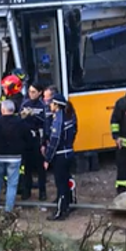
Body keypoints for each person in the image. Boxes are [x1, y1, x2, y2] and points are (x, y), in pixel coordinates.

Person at [0, 100, 33, 214]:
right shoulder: (21, 123)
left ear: (2, 110)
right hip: (15, 157)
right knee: (12, 184)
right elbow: (28, 138)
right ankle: (8, 210)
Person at [43, 92, 77, 221]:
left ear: (56, 105)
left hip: (60, 156)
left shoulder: (58, 118)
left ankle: (60, 212)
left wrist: (47, 158)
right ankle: (67, 206)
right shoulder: (70, 116)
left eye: (51, 103)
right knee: (66, 181)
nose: (50, 105)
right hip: (69, 152)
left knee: (61, 184)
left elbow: (55, 140)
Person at [19, 83, 47, 201]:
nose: (31, 94)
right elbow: (19, 118)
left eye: (33, 92)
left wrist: (34, 115)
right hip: (26, 139)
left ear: (40, 92)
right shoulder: (25, 103)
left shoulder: (43, 105)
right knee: (27, 167)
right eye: (30, 91)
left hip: (38, 138)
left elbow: (45, 121)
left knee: (40, 168)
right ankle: (27, 191)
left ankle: (42, 191)